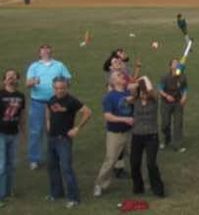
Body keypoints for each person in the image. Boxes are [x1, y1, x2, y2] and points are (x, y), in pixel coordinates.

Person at [45, 77, 92, 208]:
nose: (59, 91)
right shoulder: (52, 99)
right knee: (52, 167)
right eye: (57, 88)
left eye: (62, 88)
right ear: (53, 87)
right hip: (52, 138)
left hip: (63, 139)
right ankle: (56, 193)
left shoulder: (71, 101)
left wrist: (77, 128)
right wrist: (48, 125)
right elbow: (48, 112)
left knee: (66, 168)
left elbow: (88, 112)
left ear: (66, 87)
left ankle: (73, 198)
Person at [25, 44, 71, 169]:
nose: (45, 50)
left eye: (48, 48)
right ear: (39, 53)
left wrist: (62, 87)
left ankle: (58, 157)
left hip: (55, 102)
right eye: (43, 48)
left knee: (57, 130)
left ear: (51, 51)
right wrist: (33, 82)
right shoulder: (34, 66)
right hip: (38, 103)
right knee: (36, 131)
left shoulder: (59, 65)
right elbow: (28, 83)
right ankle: (34, 159)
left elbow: (68, 81)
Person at [94, 69, 134, 197]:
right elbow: (108, 116)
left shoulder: (130, 93)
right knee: (110, 160)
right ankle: (99, 184)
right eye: (118, 75)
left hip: (130, 132)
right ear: (112, 81)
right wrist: (125, 119)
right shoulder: (109, 97)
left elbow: (140, 85)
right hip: (115, 134)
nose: (121, 75)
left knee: (135, 157)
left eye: (122, 74)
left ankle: (138, 183)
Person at [129, 76, 165, 198]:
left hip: (151, 136)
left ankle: (158, 189)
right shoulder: (135, 101)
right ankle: (138, 187)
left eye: (145, 93)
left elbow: (152, 92)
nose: (144, 95)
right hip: (137, 136)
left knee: (151, 163)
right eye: (141, 93)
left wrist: (144, 79)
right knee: (134, 163)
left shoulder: (154, 101)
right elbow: (130, 87)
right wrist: (138, 82)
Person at [0, 70, 26, 205]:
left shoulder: (21, 96)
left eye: (14, 76)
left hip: (14, 134)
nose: (11, 78)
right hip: (1, 134)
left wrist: (23, 133)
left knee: (12, 164)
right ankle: (1, 195)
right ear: (4, 81)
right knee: (2, 165)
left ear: (17, 80)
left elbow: (22, 116)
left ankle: (8, 190)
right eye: (8, 76)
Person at [159, 58, 187, 153]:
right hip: (166, 103)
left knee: (178, 124)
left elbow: (185, 88)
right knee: (165, 124)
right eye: (174, 63)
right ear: (170, 66)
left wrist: (184, 97)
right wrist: (166, 96)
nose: (176, 64)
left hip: (177, 102)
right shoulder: (165, 77)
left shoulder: (182, 77)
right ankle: (167, 138)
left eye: (177, 63)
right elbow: (160, 89)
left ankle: (177, 144)